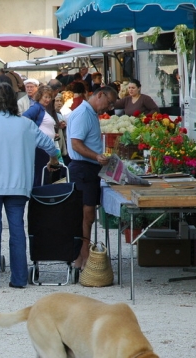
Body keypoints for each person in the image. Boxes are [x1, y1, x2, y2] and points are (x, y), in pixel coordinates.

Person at [0, 82, 59, 289]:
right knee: (17, 230)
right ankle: (19, 278)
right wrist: (54, 160)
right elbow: (50, 144)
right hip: (18, 185)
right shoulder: (26, 124)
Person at [66, 86, 119, 270]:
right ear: (100, 95)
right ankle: (83, 258)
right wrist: (96, 156)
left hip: (88, 168)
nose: (110, 107)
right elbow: (76, 143)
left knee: (87, 216)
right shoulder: (83, 113)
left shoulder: (88, 112)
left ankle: (82, 257)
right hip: (83, 168)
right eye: (109, 102)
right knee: (85, 215)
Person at [23, 85, 59, 186]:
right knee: (41, 175)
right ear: (40, 96)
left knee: (43, 174)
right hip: (40, 148)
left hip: (44, 147)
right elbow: (25, 118)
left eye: (49, 97)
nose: (47, 99)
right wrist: (36, 133)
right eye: (45, 97)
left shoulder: (42, 109)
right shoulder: (36, 107)